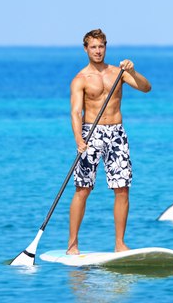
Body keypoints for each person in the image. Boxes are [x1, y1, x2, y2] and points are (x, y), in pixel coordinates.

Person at [67, 29, 151, 255]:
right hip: (90, 134)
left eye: (101, 46)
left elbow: (146, 88)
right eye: (93, 47)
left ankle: (120, 244)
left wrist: (133, 71)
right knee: (82, 189)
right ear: (85, 49)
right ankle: (72, 244)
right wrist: (78, 138)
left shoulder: (118, 72)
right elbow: (76, 112)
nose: (97, 51)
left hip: (116, 133)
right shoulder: (80, 79)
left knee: (122, 189)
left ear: (106, 47)